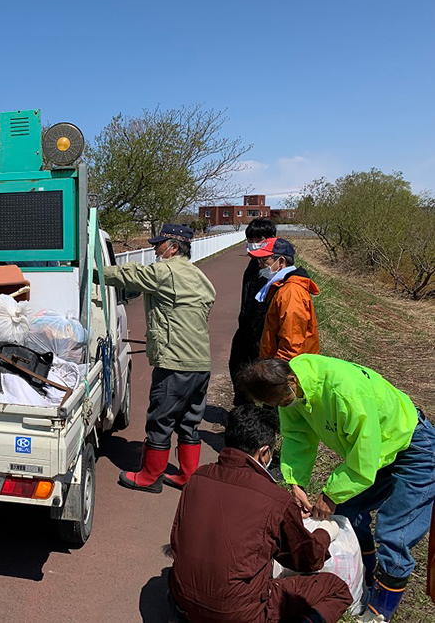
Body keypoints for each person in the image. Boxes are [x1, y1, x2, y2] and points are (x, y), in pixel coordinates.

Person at [237, 355, 435, 621]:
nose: (283, 406)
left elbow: (364, 460)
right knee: (349, 514)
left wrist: (330, 494)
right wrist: (296, 483)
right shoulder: (290, 389)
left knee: (394, 533)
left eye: (283, 401)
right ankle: (363, 579)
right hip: (375, 452)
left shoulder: (343, 394)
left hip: (411, 446)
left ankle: (378, 613)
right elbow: (298, 435)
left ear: (292, 381)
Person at [168, 404, 352, 623]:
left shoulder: (198, 478)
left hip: (182, 601)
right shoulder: (275, 499)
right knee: (336, 589)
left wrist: (287, 516)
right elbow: (307, 560)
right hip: (238, 614)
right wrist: (326, 532)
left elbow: (179, 538)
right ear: (265, 452)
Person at [102, 223, 216, 492]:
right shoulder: (199, 276)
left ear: (174, 247)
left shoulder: (166, 271)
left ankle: (151, 476)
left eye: (160, 244)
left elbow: (129, 276)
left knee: (161, 419)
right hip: (200, 361)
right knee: (189, 421)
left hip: (175, 361)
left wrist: (92, 271)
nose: (155, 248)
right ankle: (188, 475)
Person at [228, 218, 277, 405]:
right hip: (246, 328)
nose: (251, 244)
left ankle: (268, 417)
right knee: (237, 366)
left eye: (256, 239)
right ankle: (243, 408)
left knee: (266, 376)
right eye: (249, 239)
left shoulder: (275, 266)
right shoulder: (253, 263)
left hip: (264, 332)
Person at [248, 237, 320, 360]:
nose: (259, 264)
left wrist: (278, 374)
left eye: (264, 259)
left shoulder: (291, 292)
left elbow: (292, 343)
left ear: (281, 261)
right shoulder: (280, 286)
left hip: (289, 370)